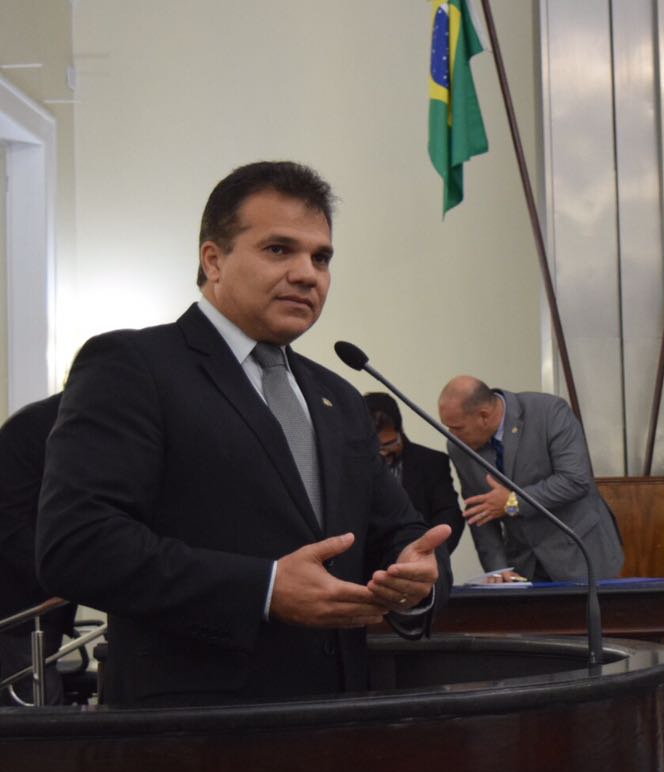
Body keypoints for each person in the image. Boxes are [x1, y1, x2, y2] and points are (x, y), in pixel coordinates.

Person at [36, 161, 452, 708]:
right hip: (195, 735)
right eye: (279, 249)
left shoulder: (341, 396)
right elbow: (77, 544)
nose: (307, 273)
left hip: (342, 724)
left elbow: (400, 531)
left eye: (321, 257)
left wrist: (417, 577)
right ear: (214, 259)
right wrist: (264, 588)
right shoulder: (135, 366)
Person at [437, 375, 624, 583]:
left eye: (457, 427)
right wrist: (498, 569)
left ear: (484, 415)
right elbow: (479, 512)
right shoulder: (459, 448)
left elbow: (575, 480)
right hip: (524, 565)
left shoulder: (549, 412)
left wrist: (513, 502)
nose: (452, 435)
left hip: (580, 554)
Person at [0, 393, 75, 705]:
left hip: (44, 608)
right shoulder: (32, 429)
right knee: (36, 716)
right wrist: (59, 577)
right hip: (18, 609)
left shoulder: (67, 426)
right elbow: (7, 524)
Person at [364, 392, 464, 554]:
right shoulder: (349, 467)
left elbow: (449, 514)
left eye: (389, 444)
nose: (383, 454)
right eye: (376, 449)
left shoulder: (432, 462)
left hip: (421, 558)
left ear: (400, 431)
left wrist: (432, 553)